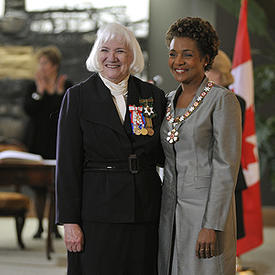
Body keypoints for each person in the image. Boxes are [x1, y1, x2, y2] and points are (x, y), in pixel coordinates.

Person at [55, 22, 166, 275]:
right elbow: (67, 165)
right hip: (97, 211)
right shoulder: (77, 97)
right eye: (105, 50)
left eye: (120, 51)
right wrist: (70, 221)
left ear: (132, 56)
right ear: (97, 55)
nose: (112, 58)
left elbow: (164, 153)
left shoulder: (153, 96)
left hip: (144, 208)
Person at [158, 17, 242, 275]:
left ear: (206, 58)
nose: (178, 61)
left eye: (187, 55)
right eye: (173, 54)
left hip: (205, 215)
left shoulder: (222, 100)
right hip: (169, 212)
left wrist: (212, 225)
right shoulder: (168, 100)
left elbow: (225, 167)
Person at [23, 45, 73, 238]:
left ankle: (54, 226)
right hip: (37, 141)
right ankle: (39, 226)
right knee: (38, 186)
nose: (41, 67)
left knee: (56, 186)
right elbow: (29, 110)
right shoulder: (33, 86)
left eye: (44, 63)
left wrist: (59, 94)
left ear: (54, 65)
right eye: (40, 63)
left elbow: (67, 113)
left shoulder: (66, 85)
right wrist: (40, 92)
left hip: (58, 142)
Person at [205, 50, 247, 241]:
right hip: (202, 178)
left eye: (210, 70)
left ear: (221, 73)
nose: (205, 74)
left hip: (227, 176)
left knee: (229, 234)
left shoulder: (236, 102)